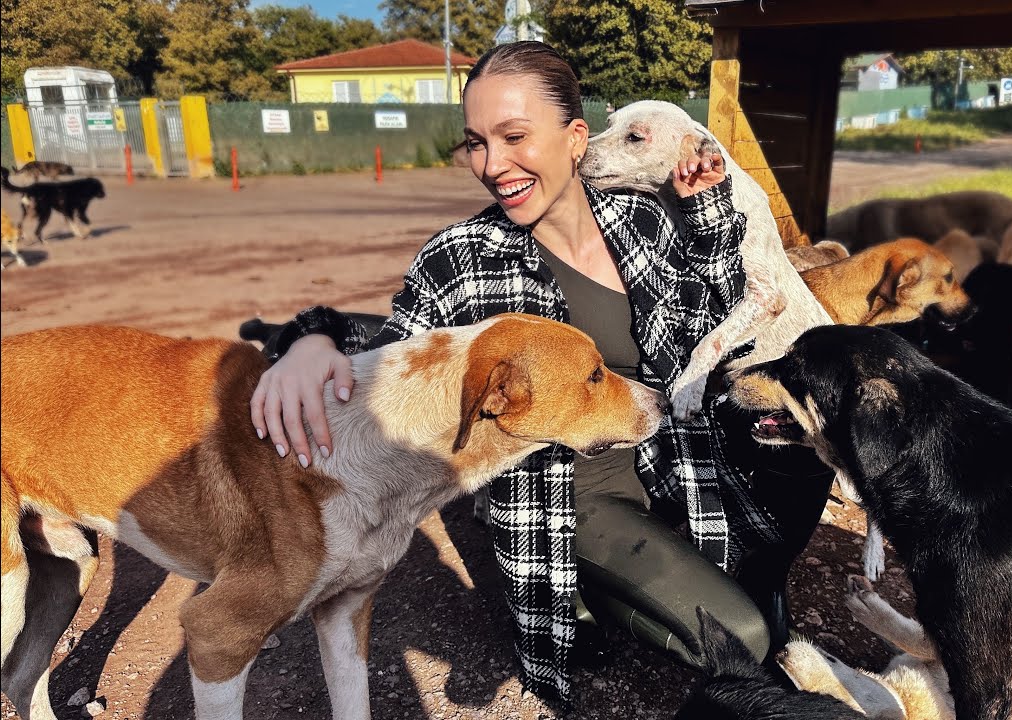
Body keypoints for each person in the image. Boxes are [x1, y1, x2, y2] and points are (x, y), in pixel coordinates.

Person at [249, 40, 831, 703]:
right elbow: (397, 355)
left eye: (514, 136)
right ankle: (580, 598)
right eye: (476, 143)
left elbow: (710, 312)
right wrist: (309, 337)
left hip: (667, 457)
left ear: (576, 138)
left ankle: (742, 577)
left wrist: (703, 213)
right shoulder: (461, 259)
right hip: (569, 499)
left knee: (809, 450)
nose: (493, 165)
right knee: (742, 636)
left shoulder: (641, 218)